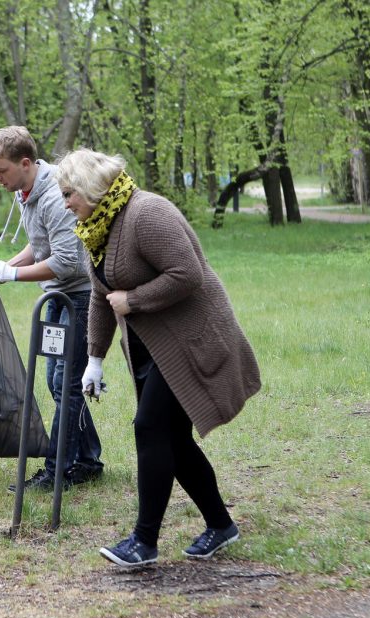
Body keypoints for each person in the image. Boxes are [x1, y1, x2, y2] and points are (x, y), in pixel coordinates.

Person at [54, 148, 261, 567]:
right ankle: (221, 526)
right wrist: (95, 359)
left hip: (192, 340)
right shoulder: (96, 228)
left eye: (69, 193)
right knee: (173, 441)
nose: (65, 203)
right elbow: (100, 295)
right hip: (154, 349)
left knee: (150, 428)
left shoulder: (147, 214)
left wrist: (134, 299)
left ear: (92, 188)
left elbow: (188, 274)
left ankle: (144, 542)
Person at [0, 126, 104, 491]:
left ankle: (58, 469)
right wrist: (2, 266)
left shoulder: (54, 196)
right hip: (55, 297)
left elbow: (66, 262)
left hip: (78, 297)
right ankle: (88, 460)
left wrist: (11, 274)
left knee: (67, 384)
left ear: (25, 163)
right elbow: (38, 242)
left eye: (1, 171)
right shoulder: (25, 191)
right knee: (56, 383)